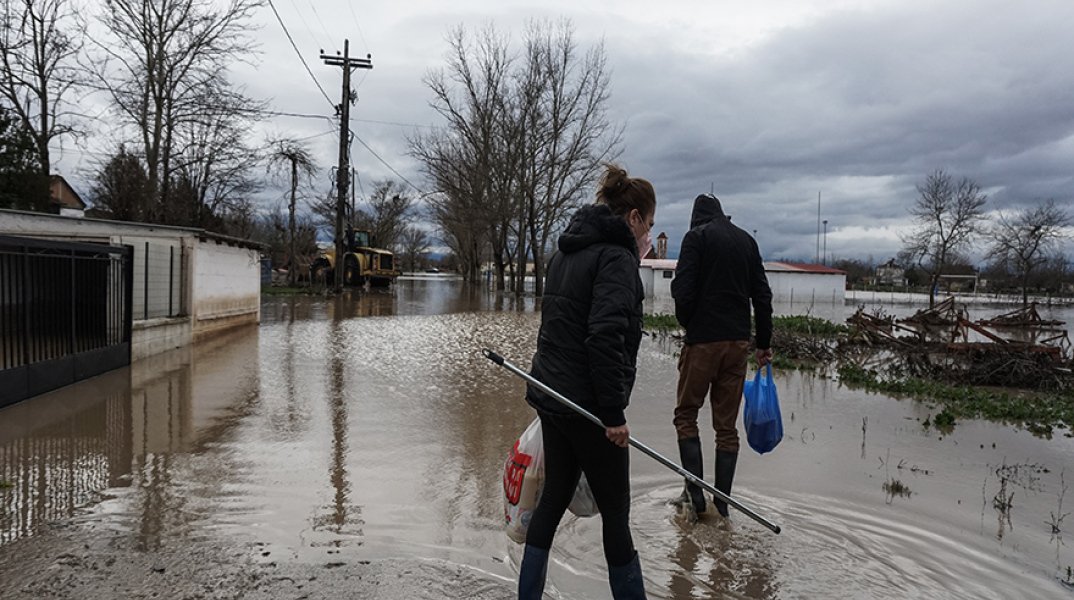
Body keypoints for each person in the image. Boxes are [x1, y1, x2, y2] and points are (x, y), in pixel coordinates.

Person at [518, 163, 656, 600]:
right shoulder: (616, 258)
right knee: (616, 512)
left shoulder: (565, 253)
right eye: (649, 224)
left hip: (553, 397)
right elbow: (605, 336)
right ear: (633, 217)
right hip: (589, 407)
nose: (649, 235)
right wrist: (612, 415)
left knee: (555, 495)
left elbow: (556, 327)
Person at [670, 193, 773, 519]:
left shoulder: (695, 237)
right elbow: (763, 295)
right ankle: (722, 504)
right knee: (726, 428)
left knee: (686, 415)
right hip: (738, 345)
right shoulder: (746, 241)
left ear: (695, 217)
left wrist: (690, 325)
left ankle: (695, 493)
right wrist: (763, 343)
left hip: (703, 342)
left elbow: (682, 290)